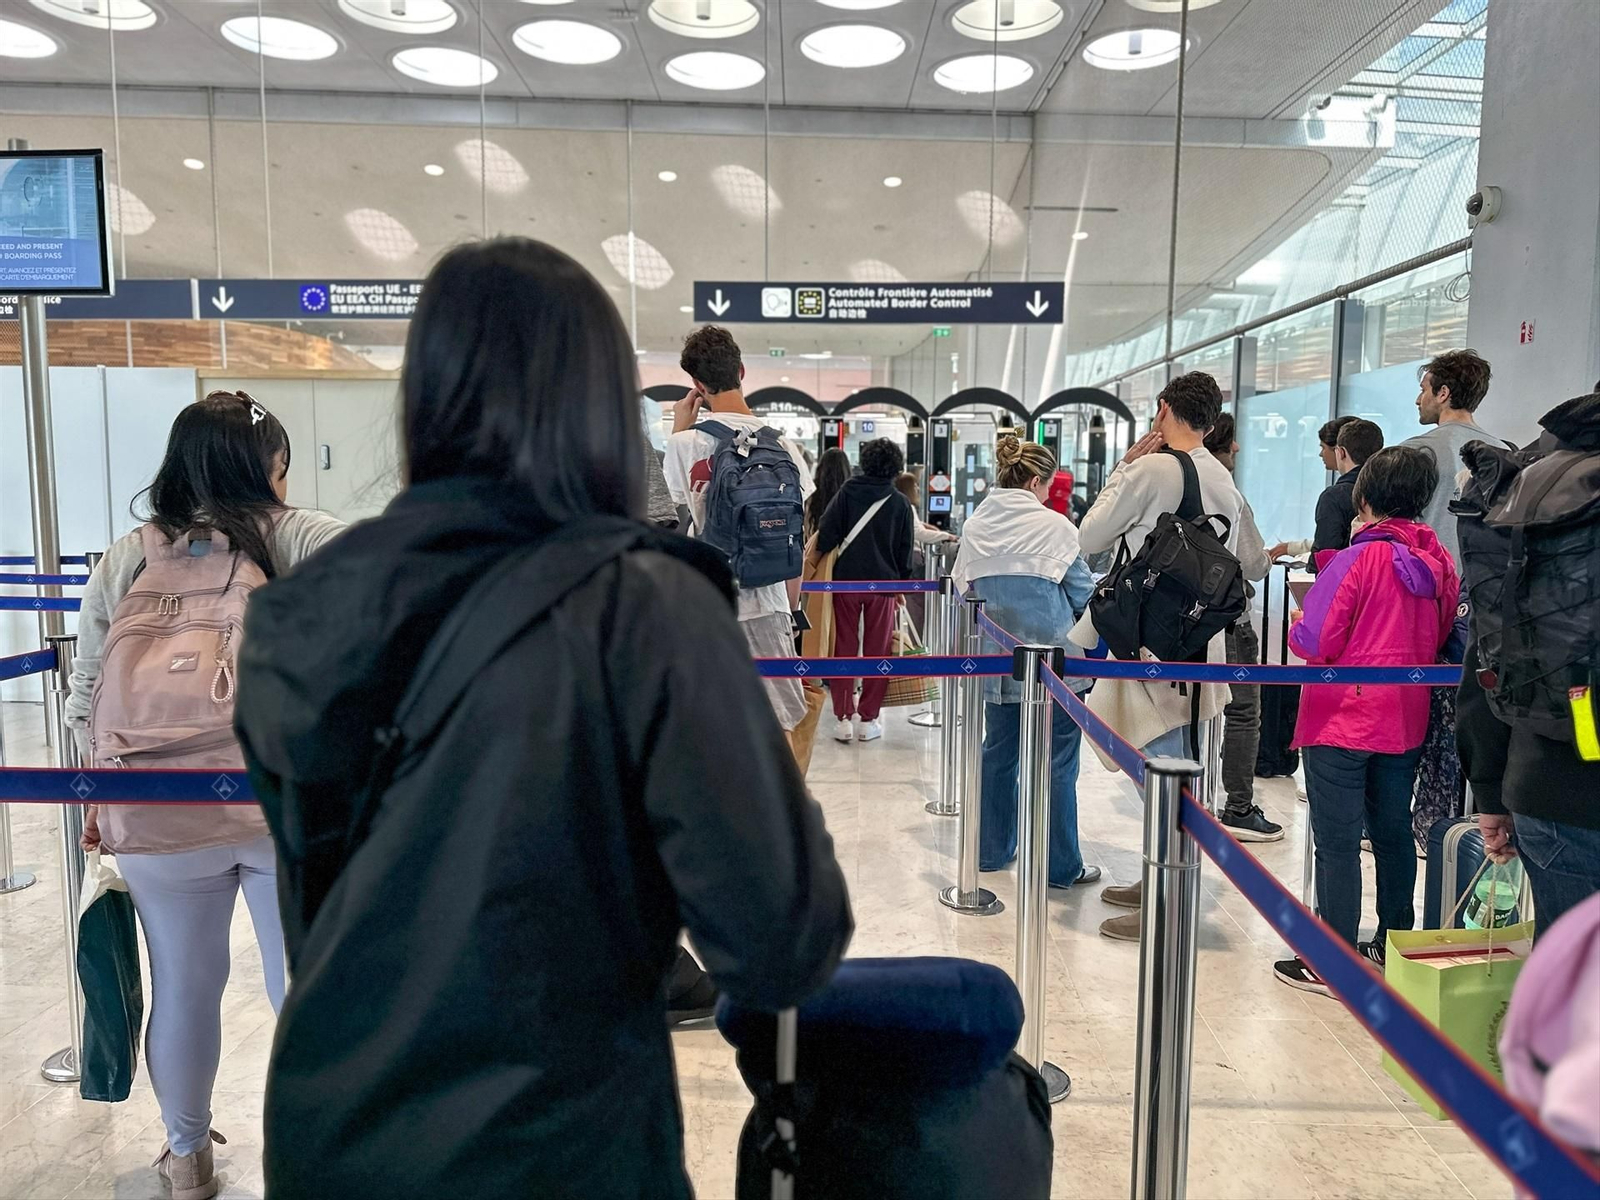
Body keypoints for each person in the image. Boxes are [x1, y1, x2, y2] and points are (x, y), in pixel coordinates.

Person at [231, 239, 852, 1200]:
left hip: (332, 1137)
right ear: (600, 407)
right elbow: (782, 936)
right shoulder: (648, 608)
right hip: (562, 1146)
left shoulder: (297, 616)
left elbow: (320, 910)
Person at [64, 391, 345, 1200]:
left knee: (184, 984)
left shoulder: (127, 557)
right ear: (272, 466)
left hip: (156, 807)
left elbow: (87, 693)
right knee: (302, 984)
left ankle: (186, 1159)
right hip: (281, 803)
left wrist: (97, 800)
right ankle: (319, 1155)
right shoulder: (303, 536)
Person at [1273, 446, 1459, 993]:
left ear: (1365, 497)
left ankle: (1333, 960)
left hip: (1342, 717)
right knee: (1393, 831)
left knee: (1336, 841)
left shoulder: (1355, 560)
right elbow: (1444, 630)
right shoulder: (1439, 563)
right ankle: (1394, 944)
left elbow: (1316, 638)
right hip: (1406, 715)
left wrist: (1300, 619)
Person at [1068, 372, 1245, 941]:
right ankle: (1160, 880)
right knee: (1173, 770)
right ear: (1212, 421)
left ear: (1163, 410)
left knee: (1161, 774)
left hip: (1147, 639)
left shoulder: (1150, 469)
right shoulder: (1223, 478)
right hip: (1197, 645)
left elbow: (1089, 538)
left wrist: (1123, 467)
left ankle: (1169, 902)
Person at [1459, 385, 1600, 939]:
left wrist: (1491, 791)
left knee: (1570, 991)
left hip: (1550, 778)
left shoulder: (1534, 480)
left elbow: (1491, 644)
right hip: (1567, 765)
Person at [952, 435, 1099, 888]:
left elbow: (962, 590)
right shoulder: (1056, 528)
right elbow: (1082, 594)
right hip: (1056, 668)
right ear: (1036, 480)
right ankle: (1060, 868)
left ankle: (992, 851)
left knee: (997, 755)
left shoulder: (976, 525)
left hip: (998, 665)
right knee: (1058, 763)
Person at [665, 325, 815, 735]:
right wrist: (793, 608)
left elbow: (677, 526)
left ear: (697, 384)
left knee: (709, 729)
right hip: (769, 604)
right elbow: (795, 540)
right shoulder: (785, 448)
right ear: (742, 372)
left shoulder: (682, 444)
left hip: (707, 605)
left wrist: (681, 428)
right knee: (778, 726)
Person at [1402, 349, 1505, 852]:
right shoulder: (1506, 452)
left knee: (1414, 722)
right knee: (1463, 721)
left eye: (1424, 388)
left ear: (1443, 393)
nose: (1418, 398)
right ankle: (1447, 827)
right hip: (1483, 610)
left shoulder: (1417, 452)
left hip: (1422, 605)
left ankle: (1412, 824)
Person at [1201, 414, 1283, 842]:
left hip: (1178, 625)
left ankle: (1187, 804)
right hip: (1228, 623)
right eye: (1234, 442)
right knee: (1243, 712)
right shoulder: (1230, 493)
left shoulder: (1168, 481)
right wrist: (1267, 557)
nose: (1237, 450)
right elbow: (1253, 564)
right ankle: (1238, 806)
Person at [813, 437, 916, 743]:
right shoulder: (899, 503)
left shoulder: (847, 492)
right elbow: (904, 551)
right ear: (896, 467)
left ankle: (843, 717)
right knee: (878, 649)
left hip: (844, 582)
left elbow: (827, 533)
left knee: (842, 645)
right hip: (882, 586)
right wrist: (901, 585)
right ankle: (868, 719)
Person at [1266, 416, 1381, 566]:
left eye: (1323, 447)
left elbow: (1326, 554)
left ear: (1340, 451)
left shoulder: (1335, 497)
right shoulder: (1388, 490)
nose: (1321, 454)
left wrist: (1309, 560)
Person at [806, 447, 853, 544]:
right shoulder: (852, 496)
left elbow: (807, 530)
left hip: (817, 553)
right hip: (844, 551)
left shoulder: (812, 495)